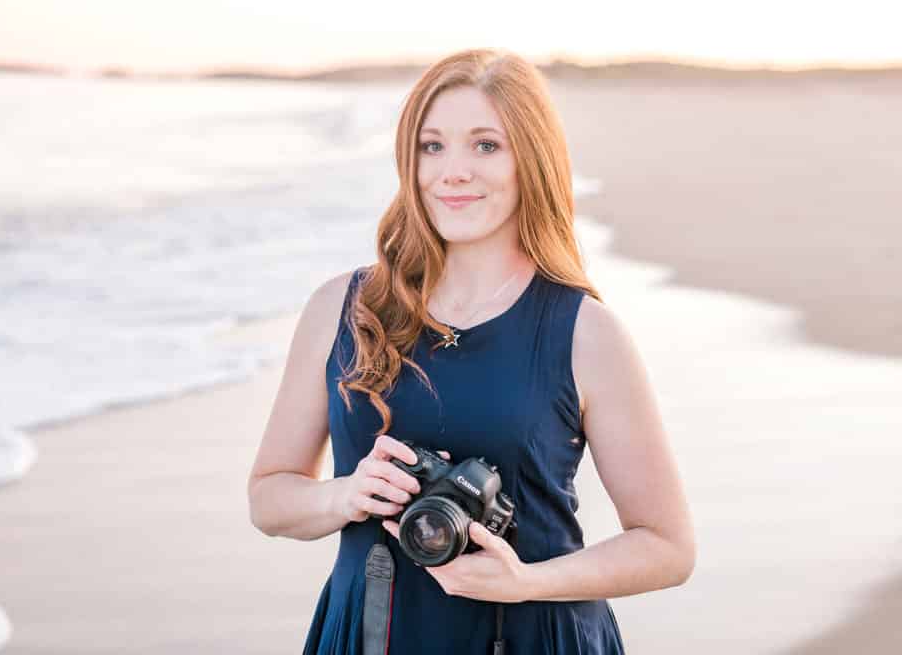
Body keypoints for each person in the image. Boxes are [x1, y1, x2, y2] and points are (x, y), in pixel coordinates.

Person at [246, 48, 695, 654]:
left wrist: (527, 582)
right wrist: (343, 494)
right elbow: (270, 498)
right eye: (432, 146)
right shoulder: (342, 309)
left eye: (485, 145)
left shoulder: (585, 332)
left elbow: (667, 546)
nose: (452, 171)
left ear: (529, 160)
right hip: (373, 635)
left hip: (534, 636)